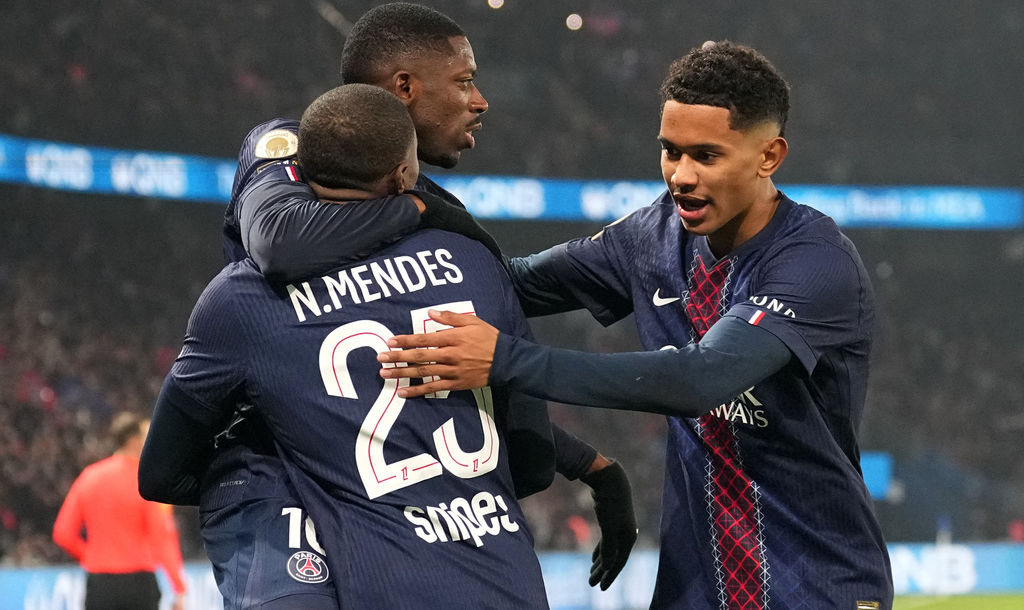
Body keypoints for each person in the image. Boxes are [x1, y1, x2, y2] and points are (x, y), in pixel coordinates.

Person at [376, 41, 895, 609]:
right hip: (696, 588)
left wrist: (505, 359)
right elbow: (511, 283)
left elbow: (700, 379)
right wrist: (412, 198)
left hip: (818, 582)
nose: (681, 176)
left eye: (707, 155)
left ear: (768, 156)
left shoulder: (815, 262)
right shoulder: (652, 238)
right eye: (671, 151)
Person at [143, 84, 553, 608]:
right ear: (403, 175)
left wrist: (278, 472)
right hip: (507, 580)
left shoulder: (244, 298)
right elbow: (534, 461)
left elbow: (161, 474)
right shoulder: (475, 262)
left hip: (381, 578)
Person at [53, 412, 186, 610]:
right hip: (139, 585)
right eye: (148, 437)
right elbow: (162, 538)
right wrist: (178, 586)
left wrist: (91, 556)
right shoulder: (147, 483)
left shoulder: (89, 477)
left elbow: (63, 533)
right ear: (133, 441)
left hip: (100, 585)